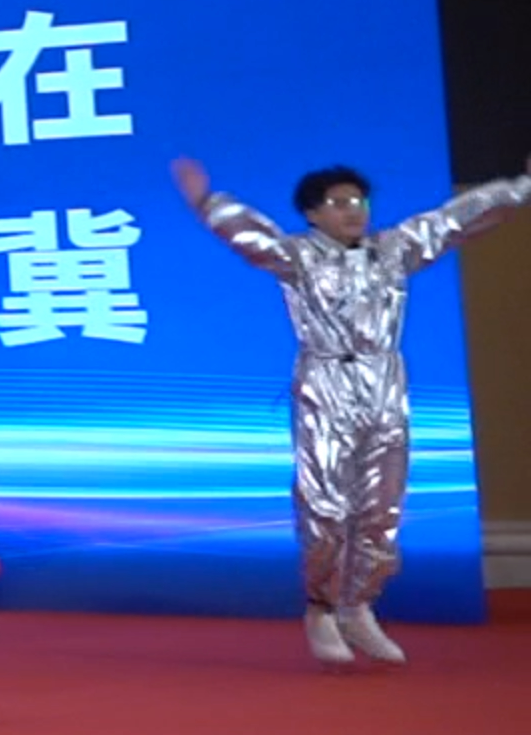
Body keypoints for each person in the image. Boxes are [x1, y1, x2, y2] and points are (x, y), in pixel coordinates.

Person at [174, 152, 531, 666]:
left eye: (359, 201)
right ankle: (320, 607)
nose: (353, 211)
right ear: (313, 213)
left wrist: (519, 187)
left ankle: (358, 606)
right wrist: (211, 203)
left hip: (384, 386)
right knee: (327, 508)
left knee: (381, 510)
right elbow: (250, 236)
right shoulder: (298, 257)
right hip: (326, 385)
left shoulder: (393, 251)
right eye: (338, 203)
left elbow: (453, 220)